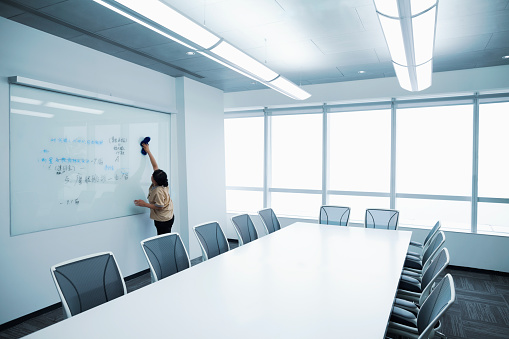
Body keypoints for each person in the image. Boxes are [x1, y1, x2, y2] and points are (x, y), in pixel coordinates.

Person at [134, 143, 174, 235]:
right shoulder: (161, 180)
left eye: (152, 176)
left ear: (155, 181)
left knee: (163, 242)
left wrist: (144, 204)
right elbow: (155, 166)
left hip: (164, 220)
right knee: (164, 240)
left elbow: (160, 206)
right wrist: (148, 151)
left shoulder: (158, 191)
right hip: (168, 216)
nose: (151, 175)